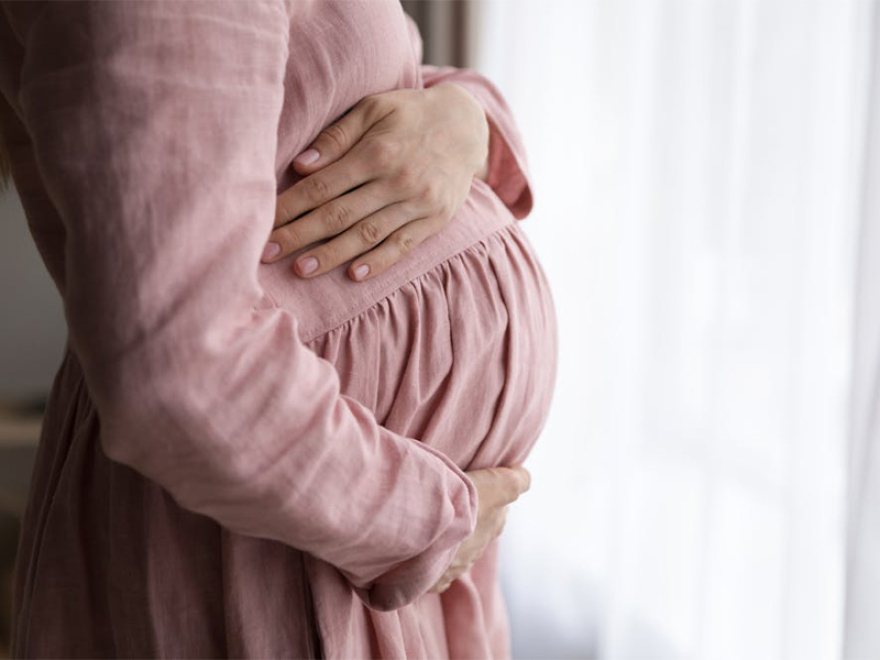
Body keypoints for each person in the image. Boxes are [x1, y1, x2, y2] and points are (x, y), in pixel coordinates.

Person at [0, 0, 558, 657]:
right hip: (282, 536)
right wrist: (418, 525)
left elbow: (336, 81)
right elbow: (176, 372)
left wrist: (469, 116)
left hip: (355, 534)